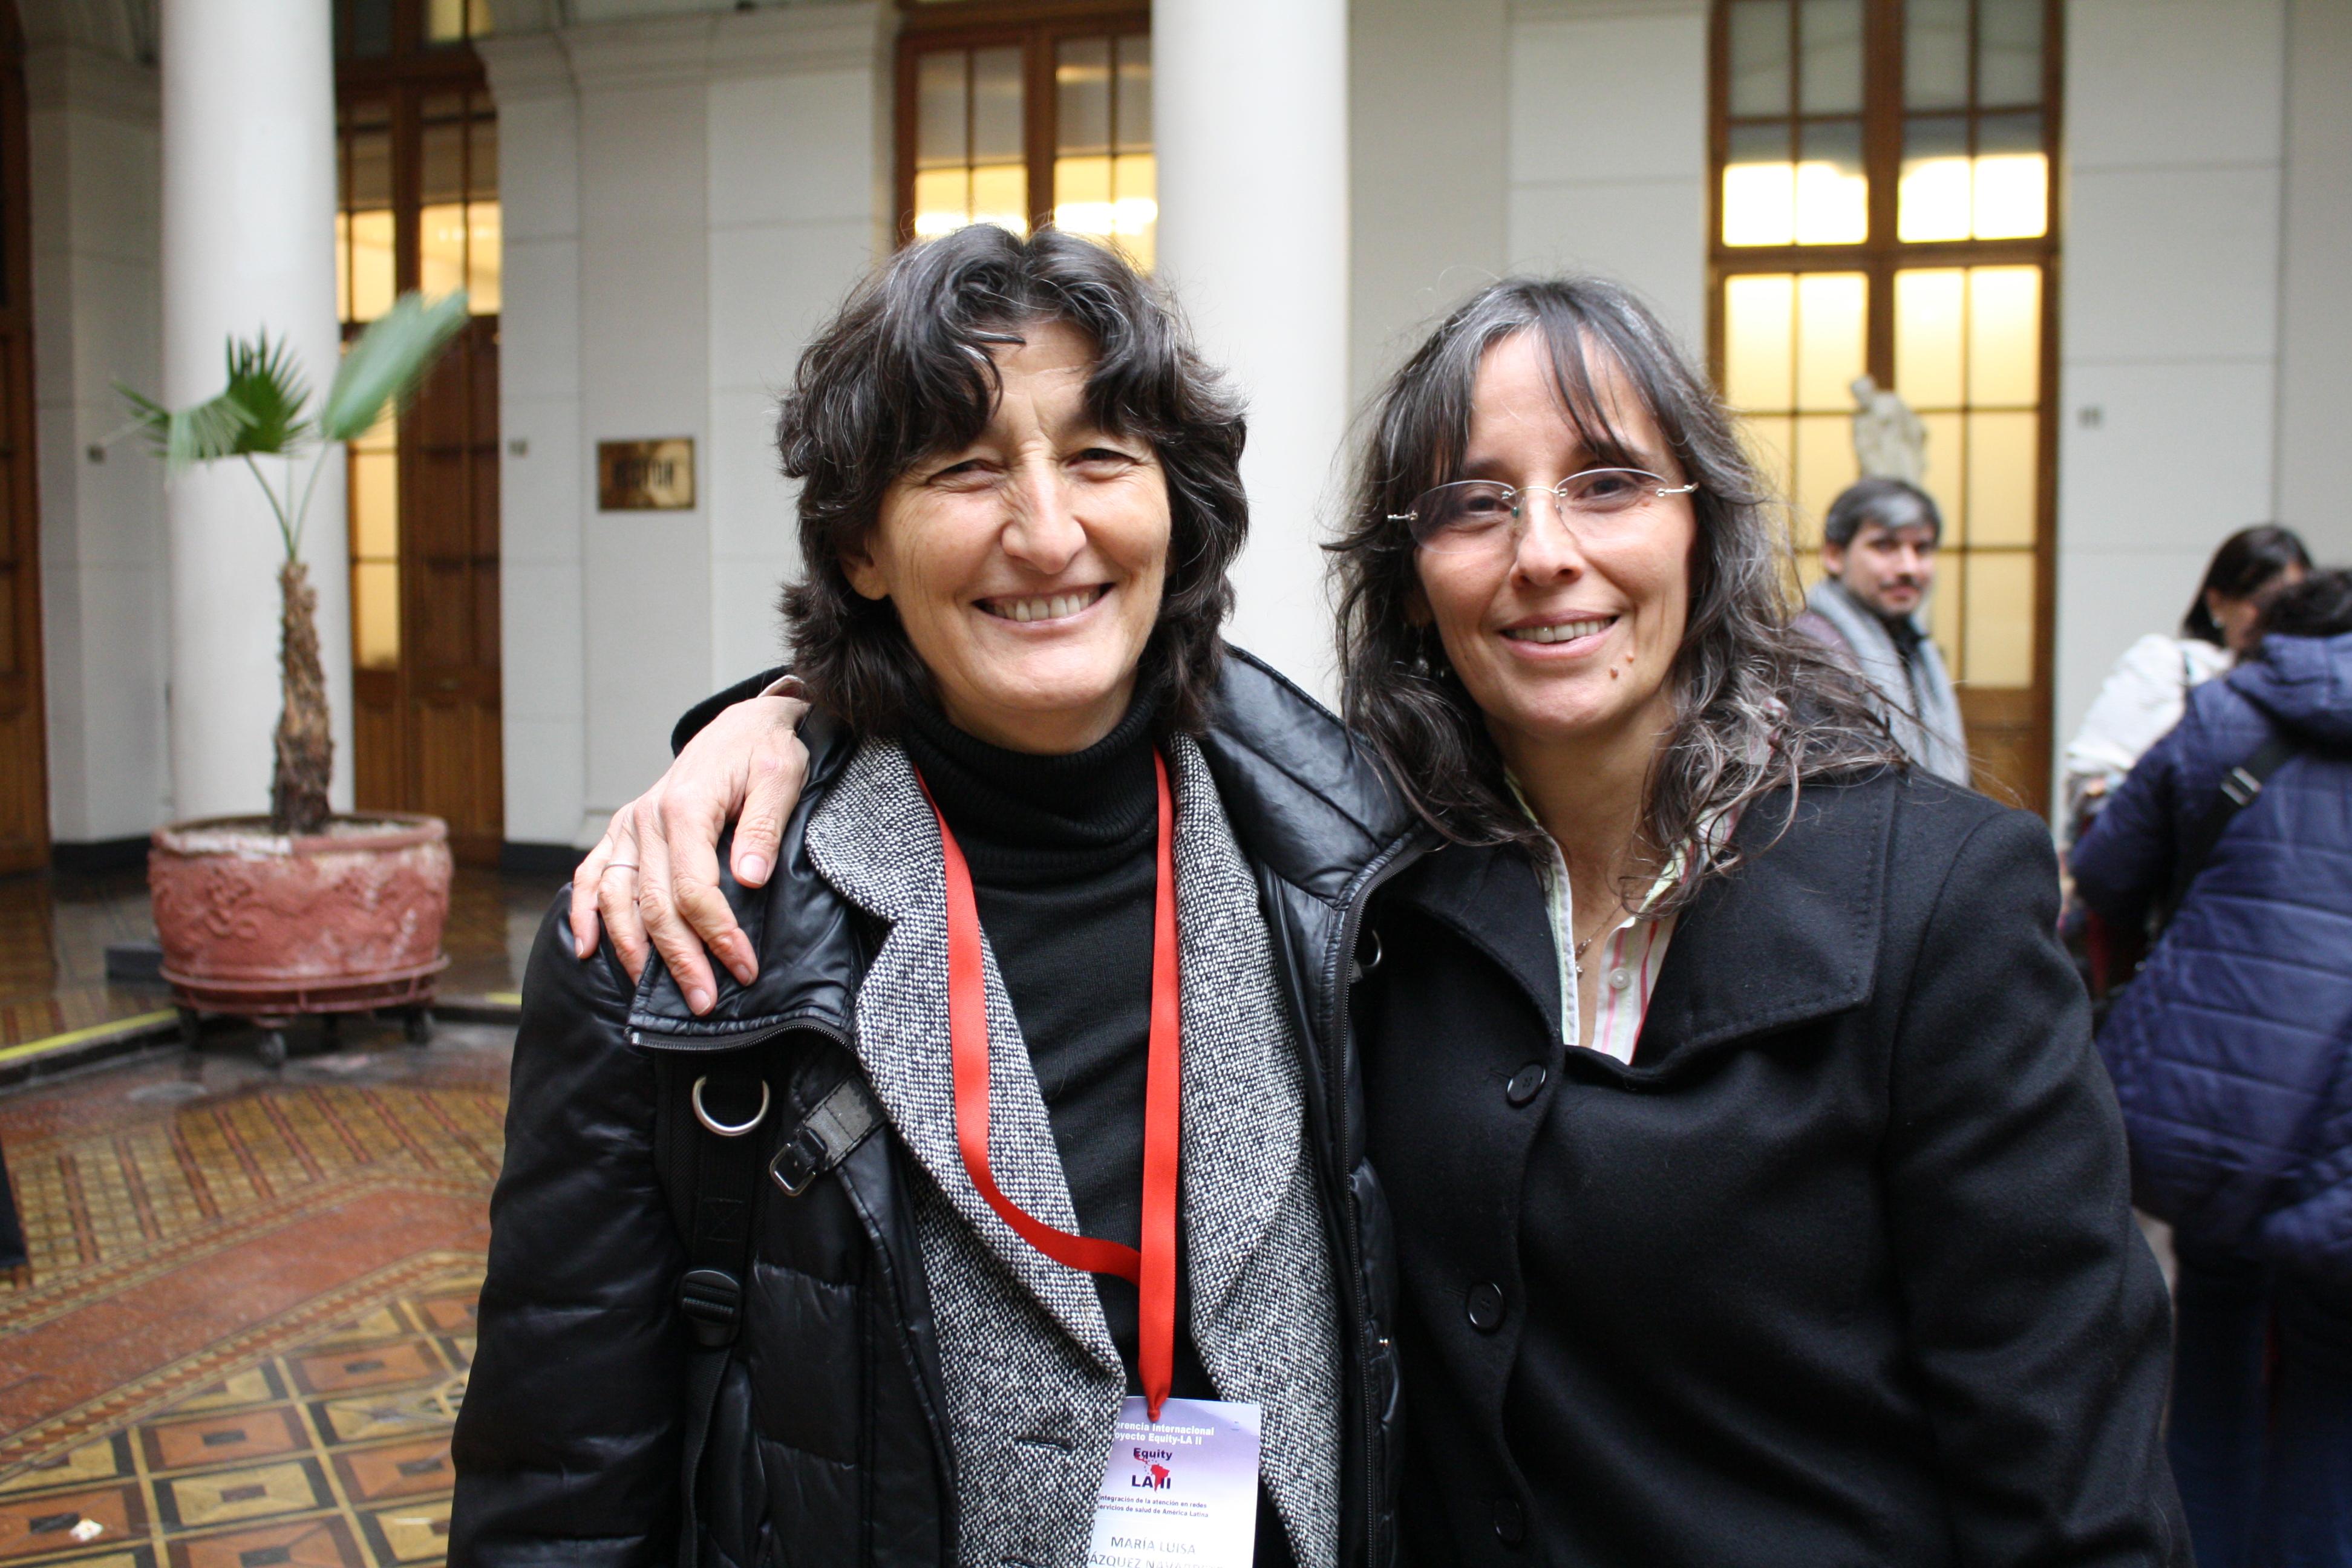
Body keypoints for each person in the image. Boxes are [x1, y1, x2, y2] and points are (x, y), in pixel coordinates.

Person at [587, 275, 2188, 1566]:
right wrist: (784, 716)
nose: (1547, 557)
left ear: (1705, 530)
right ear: (1413, 572)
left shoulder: (1939, 899)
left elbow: (2072, 1476)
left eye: (1611, 486)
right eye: (1476, 504)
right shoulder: (1381, 877)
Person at [449, 226, 1420, 1568]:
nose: (1046, 530)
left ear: (1177, 509)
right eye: (964, 470)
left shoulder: (1352, 869)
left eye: (1099, 458)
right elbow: (559, 1486)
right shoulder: (677, 945)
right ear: (860, 548)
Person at [2070, 569, 2352, 1568]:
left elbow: (2105, 873)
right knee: (2330, 1382)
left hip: (2223, 1092)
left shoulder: (2226, 709)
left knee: (2214, 1330)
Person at [2061, 524, 2311, 828]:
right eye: (2258, 599)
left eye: (2289, 602)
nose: (2273, 615)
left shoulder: (2316, 687)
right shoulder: (2167, 666)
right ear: (2217, 601)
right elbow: (2088, 784)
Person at [1790, 476, 1971, 784]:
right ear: (1834, 556)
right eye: (1885, 546)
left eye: (1922, 549)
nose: (1908, 568)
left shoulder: (1914, 643)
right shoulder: (1808, 650)